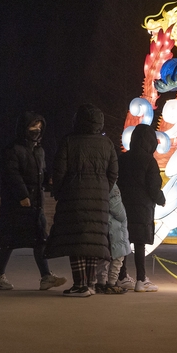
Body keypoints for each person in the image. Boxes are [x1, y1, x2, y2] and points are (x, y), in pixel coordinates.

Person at [44, 103, 118, 297]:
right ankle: (90, 284)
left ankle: (80, 285)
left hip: (73, 197)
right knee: (93, 242)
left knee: (76, 241)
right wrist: (103, 189)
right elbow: (113, 172)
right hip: (99, 200)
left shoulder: (69, 141)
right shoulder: (107, 143)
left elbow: (59, 171)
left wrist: (59, 192)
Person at [0, 112, 66, 291]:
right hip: (16, 204)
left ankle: (46, 276)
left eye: (39, 127)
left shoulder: (39, 150)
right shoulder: (13, 149)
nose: (36, 131)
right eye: (33, 127)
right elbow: (12, 175)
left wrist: (49, 180)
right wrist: (22, 195)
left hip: (36, 203)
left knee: (39, 240)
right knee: (9, 241)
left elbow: (41, 172)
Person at [118, 123, 165, 293]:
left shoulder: (122, 158)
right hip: (142, 208)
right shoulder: (148, 161)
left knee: (123, 241)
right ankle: (141, 279)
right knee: (139, 244)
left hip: (123, 206)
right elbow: (153, 186)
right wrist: (161, 199)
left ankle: (122, 276)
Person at [94, 183, 130, 294]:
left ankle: (101, 282)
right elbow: (117, 210)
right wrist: (124, 216)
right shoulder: (112, 186)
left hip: (102, 226)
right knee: (118, 257)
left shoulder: (97, 184)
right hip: (115, 228)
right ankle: (112, 283)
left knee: (103, 257)